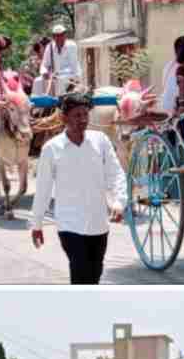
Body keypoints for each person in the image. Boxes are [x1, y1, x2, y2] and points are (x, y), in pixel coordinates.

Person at [32, 93, 127, 285]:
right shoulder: (52, 149)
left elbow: (115, 173)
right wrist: (37, 224)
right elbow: (43, 188)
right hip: (69, 225)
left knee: (95, 274)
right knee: (80, 272)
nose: (82, 120)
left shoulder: (100, 141)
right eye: (77, 115)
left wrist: (119, 202)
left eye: (85, 115)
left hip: (98, 223)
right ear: (63, 118)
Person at [33, 24, 82, 96]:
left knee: (59, 82)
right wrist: (44, 72)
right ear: (53, 37)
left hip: (70, 75)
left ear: (65, 35)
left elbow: (73, 66)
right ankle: (39, 103)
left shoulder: (72, 46)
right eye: (56, 36)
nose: (59, 38)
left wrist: (58, 73)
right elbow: (44, 64)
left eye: (61, 35)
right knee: (37, 81)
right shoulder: (49, 47)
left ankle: (58, 102)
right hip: (54, 76)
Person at [161, 36, 184, 116]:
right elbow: (179, 93)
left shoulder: (168, 65)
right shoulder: (182, 69)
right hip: (174, 110)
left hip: (164, 106)